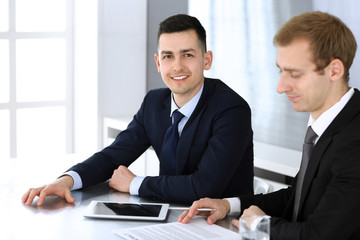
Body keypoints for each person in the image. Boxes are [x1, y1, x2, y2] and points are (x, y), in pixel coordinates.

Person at [22, 14, 253, 206]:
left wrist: (135, 183)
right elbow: (113, 156)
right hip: (170, 217)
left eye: (188, 55)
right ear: (158, 62)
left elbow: (205, 186)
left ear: (207, 60)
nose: (177, 66)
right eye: (168, 56)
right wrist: (66, 181)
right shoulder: (154, 103)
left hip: (223, 225)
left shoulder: (232, 110)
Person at [178, 11, 360, 239]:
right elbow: (297, 197)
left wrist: (259, 225)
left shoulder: (354, 142)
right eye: (281, 71)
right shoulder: (327, 123)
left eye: (294, 74)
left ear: (334, 71)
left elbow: (320, 235)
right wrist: (227, 204)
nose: (281, 86)